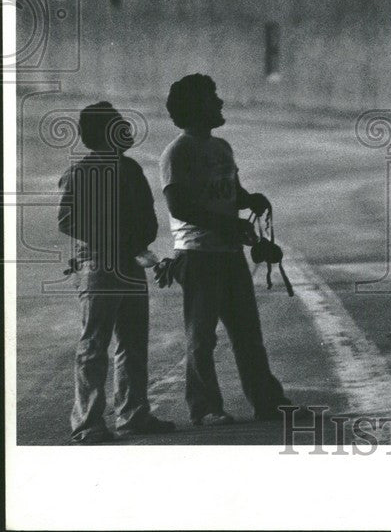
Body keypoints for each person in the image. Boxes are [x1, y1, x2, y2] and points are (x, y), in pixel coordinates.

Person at [159, 73, 290, 426]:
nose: (219, 103)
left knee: (248, 334)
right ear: (194, 108)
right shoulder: (178, 152)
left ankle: (268, 402)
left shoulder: (222, 148)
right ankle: (205, 408)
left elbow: (233, 192)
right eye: (211, 98)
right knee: (202, 339)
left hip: (229, 255)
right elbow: (179, 207)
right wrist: (229, 225)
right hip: (198, 256)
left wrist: (251, 200)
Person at [58, 102, 176, 443]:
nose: (126, 130)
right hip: (105, 265)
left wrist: (130, 243)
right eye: (118, 125)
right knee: (102, 344)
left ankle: (128, 414)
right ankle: (93, 422)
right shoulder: (88, 173)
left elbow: (148, 221)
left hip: (116, 264)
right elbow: (67, 220)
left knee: (126, 343)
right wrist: (125, 243)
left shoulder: (123, 170)